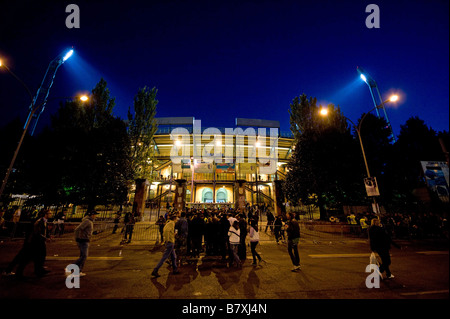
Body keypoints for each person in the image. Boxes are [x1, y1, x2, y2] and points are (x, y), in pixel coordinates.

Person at [69, 210, 99, 277]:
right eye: (95, 215)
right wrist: (78, 238)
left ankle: (79, 271)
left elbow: (85, 230)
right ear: (92, 215)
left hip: (85, 240)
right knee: (84, 256)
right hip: (83, 241)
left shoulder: (89, 221)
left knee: (82, 256)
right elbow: (78, 229)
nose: (96, 216)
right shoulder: (87, 221)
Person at [151, 214, 180, 278]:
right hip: (170, 242)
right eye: (177, 218)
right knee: (164, 257)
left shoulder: (169, 223)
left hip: (170, 241)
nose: (177, 219)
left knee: (173, 257)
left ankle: (175, 269)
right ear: (174, 218)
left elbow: (167, 231)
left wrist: (172, 234)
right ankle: (155, 270)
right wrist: (168, 240)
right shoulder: (171, 223)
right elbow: (166, 231)